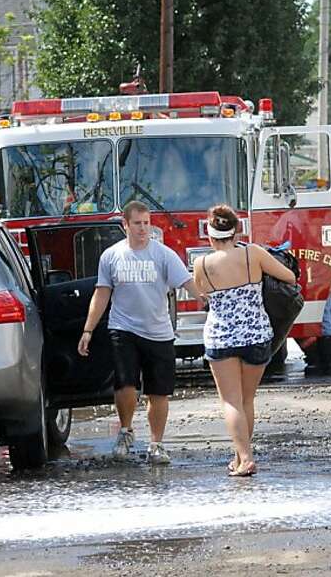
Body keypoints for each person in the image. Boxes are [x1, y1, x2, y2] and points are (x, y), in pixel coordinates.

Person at [78, 201, 200, 465]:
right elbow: (102, 293)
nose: (143, 228)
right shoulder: (111, 256)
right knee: (125, 383)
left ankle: (156, 444)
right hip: (123, 327)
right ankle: (125, 430)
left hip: (158, 331)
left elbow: (187, 282)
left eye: (146, 223)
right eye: (137, 223)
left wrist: (207, 299)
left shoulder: (163, 255)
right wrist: (88, 329)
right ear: (126, 225)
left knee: (159, 392)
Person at [191, 204, 296, 477]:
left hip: (221, 336)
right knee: (247, 400)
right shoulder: (254, 254)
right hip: (257, 335)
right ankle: (240, 455)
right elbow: (290, 276)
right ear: (236, 231)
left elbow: (201, 294)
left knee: (231, 402)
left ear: (210, 236)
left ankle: (246, 458)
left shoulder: (201, 263)